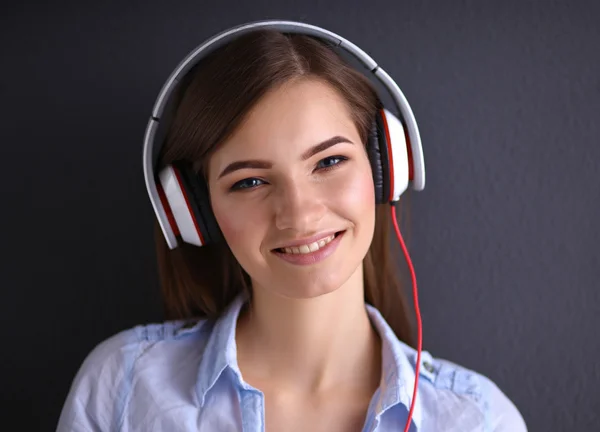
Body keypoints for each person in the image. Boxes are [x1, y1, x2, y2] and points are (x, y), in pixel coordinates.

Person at [57, 21, 527, 432]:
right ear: (194, 212)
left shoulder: (480, 420)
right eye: (251, 181)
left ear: (386, 167)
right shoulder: (122, 389)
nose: (299, 215)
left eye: (330, 161)